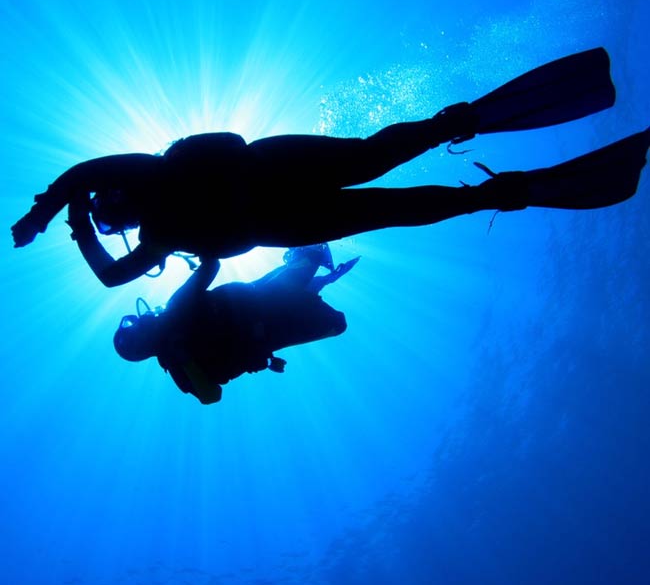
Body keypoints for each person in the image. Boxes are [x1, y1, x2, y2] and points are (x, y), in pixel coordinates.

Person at [11, 49, 648, 287]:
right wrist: (70, 220)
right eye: (110, 217)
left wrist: (53, 214)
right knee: (389, 204)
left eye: (106, 205)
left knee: (375, 163)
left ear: (115, 195)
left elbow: (87, 174)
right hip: (283, 207)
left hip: (276, 181)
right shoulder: (158, 231)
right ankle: (492, 187)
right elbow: (112, 274)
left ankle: (465, 138)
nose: (113, 209)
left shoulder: (151, 180)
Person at [113, 243, 359, 404]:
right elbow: (211, 396)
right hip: (266, 326)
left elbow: (211, 266)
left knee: (311, 262)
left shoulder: (175, 310)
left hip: (261, 301)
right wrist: (185, 359)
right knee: (337, 322)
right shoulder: (177, 360)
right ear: (141, 344)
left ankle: (313, 281)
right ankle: (313, 283)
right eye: (136, 327)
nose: (140, 319)